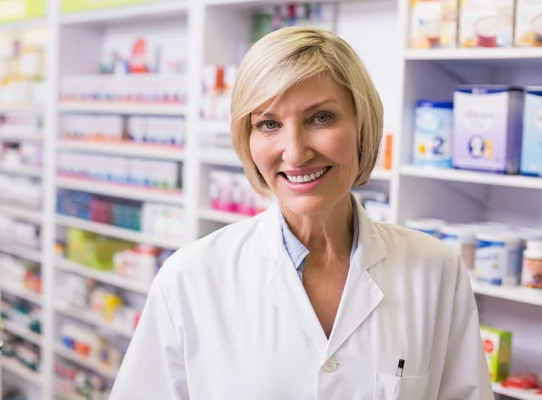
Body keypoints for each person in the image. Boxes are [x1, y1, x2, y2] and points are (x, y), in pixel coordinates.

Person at [110, 26, 494, 400]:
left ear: (363, 125)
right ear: (247, 140)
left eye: (320, 118)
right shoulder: (189, 278)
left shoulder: (436, 269)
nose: (294, 153)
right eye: (268, 124)